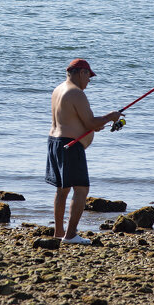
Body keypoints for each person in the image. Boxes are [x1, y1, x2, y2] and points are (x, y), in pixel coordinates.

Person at [46, 58, 121, 245]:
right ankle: (70, 236)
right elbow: (90, 123)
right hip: (70, 146)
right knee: (81, 189)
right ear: (81, 73)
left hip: (54, 142)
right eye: (89, 76)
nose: (89, 81)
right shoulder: (76, 93)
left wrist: (96, 125)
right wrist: (111, 116)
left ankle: (59, 232)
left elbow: (71, 120)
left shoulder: (58, 90)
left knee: (62, 190)